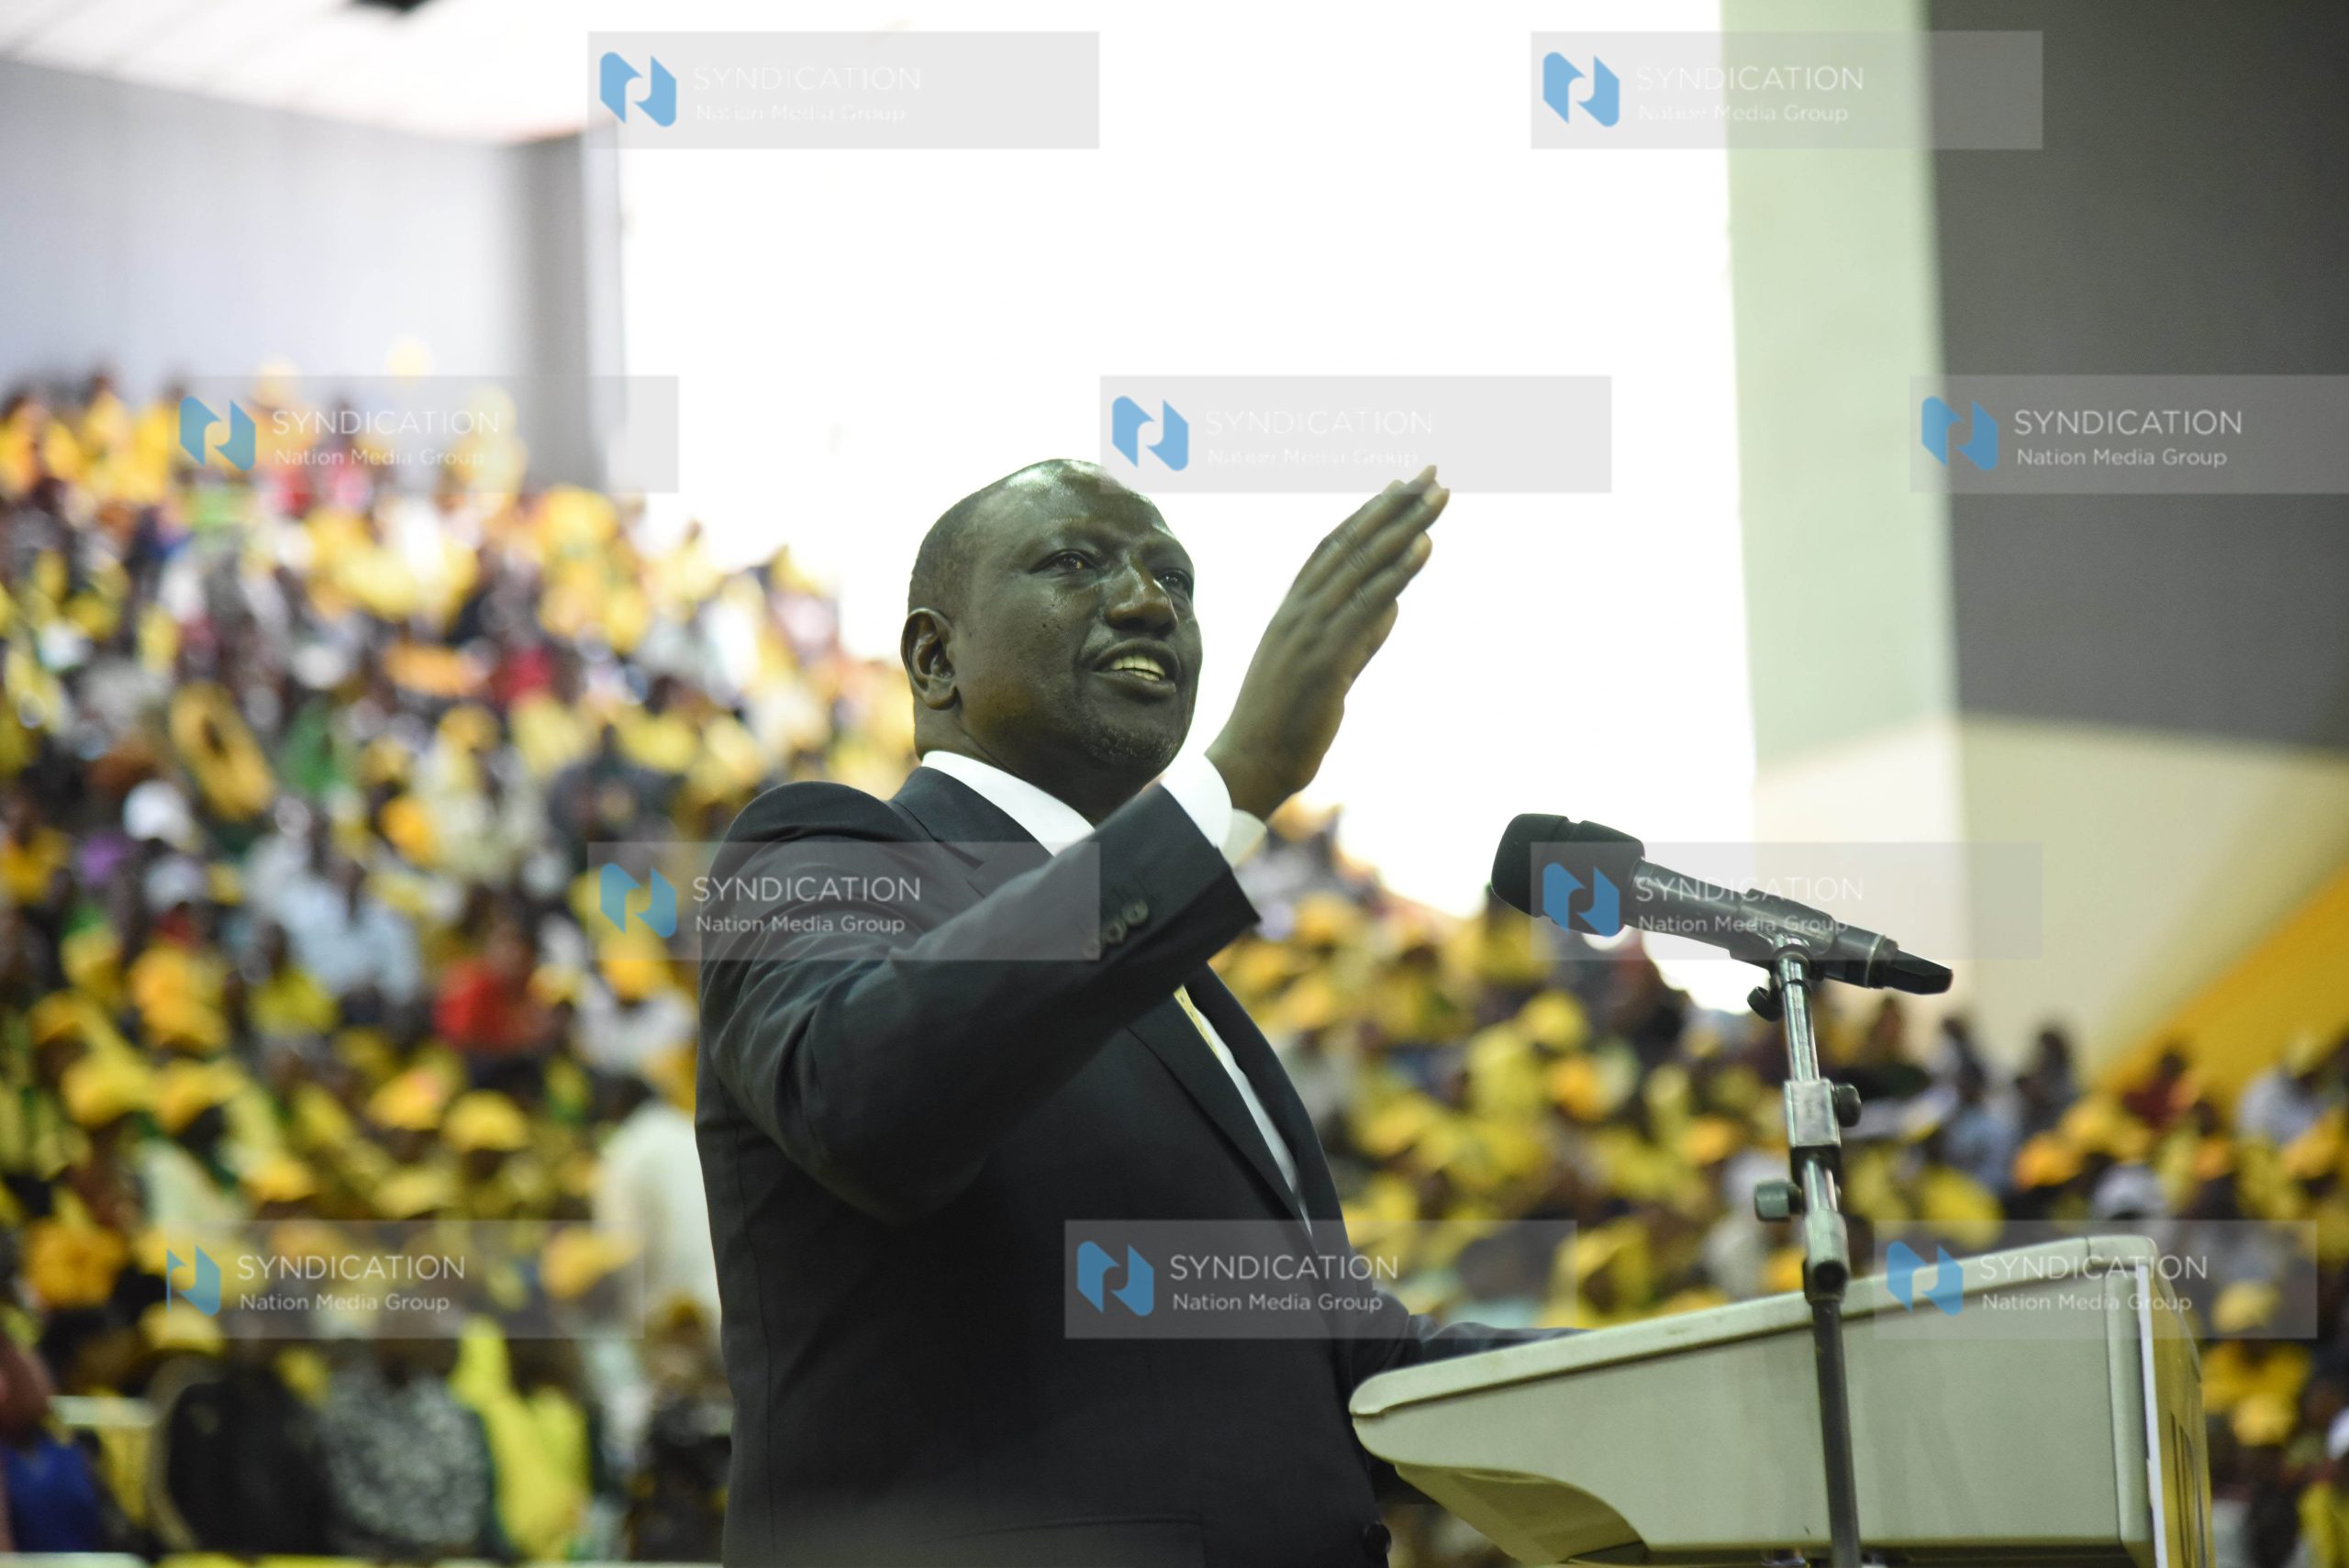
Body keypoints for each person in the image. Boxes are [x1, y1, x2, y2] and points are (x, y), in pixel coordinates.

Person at [697, 460, 1545, 1568]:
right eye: (1074, 562)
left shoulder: (1186, 987)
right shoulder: (817, 851)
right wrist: (1232, 783)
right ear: (935, 656)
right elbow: (862, 1096)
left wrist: (1719, 1385)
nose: (1150, 602)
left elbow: (1352, 1366)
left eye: (1173, 579)